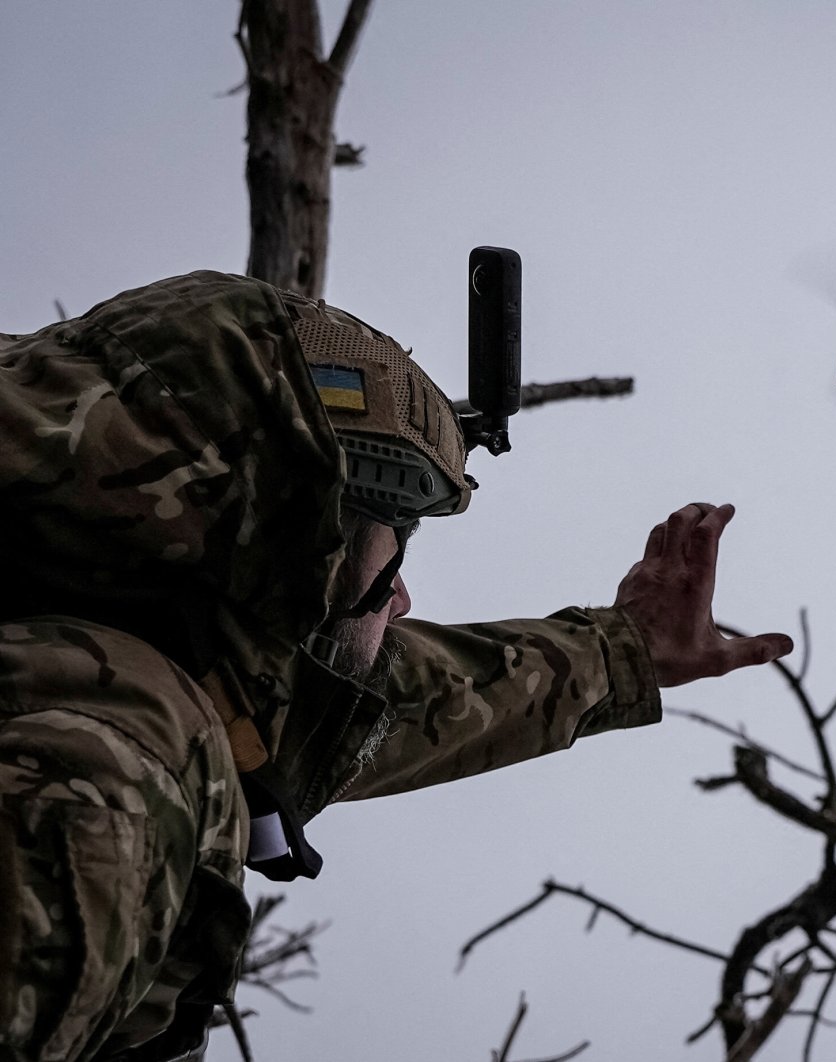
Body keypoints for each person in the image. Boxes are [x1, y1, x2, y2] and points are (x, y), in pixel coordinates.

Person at [0, 271, 793, 1061]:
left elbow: (382, 697)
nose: (403, 600)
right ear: (298, 544)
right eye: (394, 548)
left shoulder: (94, 642)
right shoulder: (105, 757)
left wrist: (623, 651)